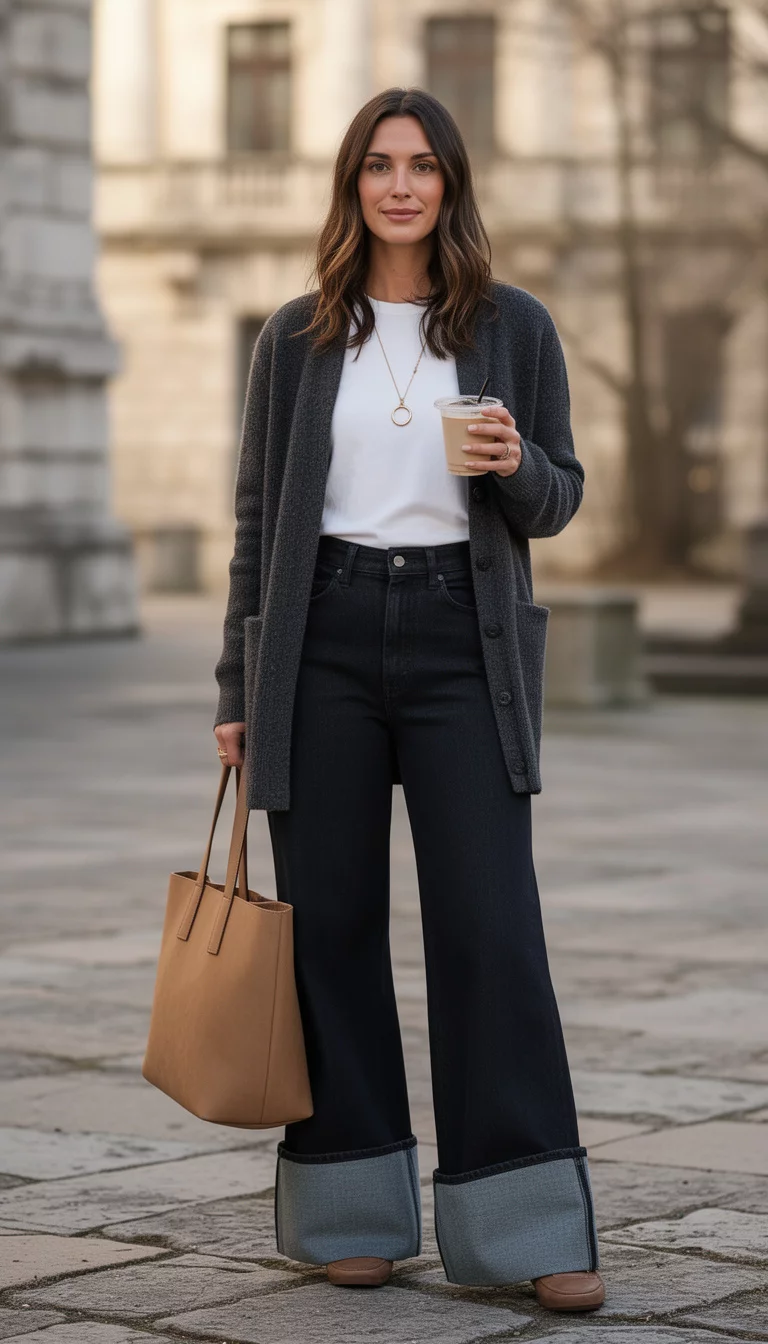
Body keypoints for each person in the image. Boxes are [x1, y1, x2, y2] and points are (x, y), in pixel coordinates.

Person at [213, 87, 604, 1312]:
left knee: (490, 929)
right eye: (379, 165)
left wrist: (517, 465)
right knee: (326, 929)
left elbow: (560, 496)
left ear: (451, 185)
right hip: (318, 638)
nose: (399, 186)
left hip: (457, 637)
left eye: (422, 166)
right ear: (351, 185)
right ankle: (351, 1209)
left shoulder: (513, 327)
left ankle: (528, 1230)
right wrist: (238, 684)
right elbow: (255, 526)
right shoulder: (292, 339)